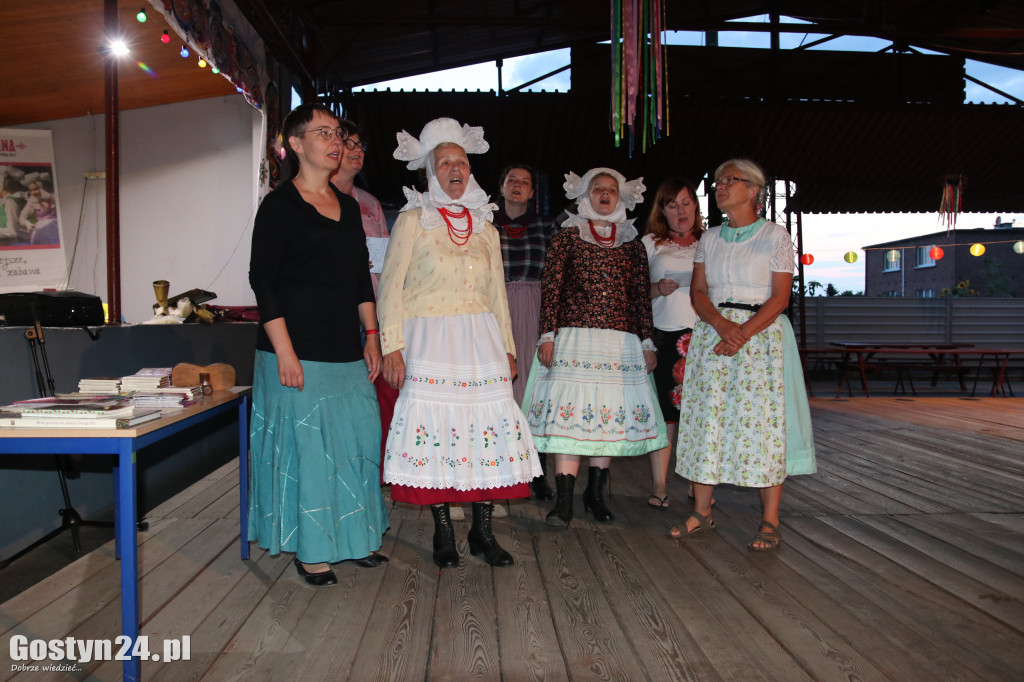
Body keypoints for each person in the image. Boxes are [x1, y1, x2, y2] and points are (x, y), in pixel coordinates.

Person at [378, 117, 541, 569]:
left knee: (484, 435)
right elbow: (389, 287)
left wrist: (507, 347)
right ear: (431, 170)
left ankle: (483, 533)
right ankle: (444, 533)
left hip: (481, 340)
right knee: (440, 435)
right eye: (445, 162)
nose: (455, 169)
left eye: (462, 162)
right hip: (429, 339)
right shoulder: (413, 220)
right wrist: (392, 345)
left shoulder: (486, 228)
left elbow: (497, 295)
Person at [248, 104, 390, 587]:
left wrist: (372, 335)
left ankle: (355, 537)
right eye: (324, 133)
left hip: (345, 350)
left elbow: (359, 280)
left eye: (339, 133)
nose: (336, 142)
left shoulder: (349, 208)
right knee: (310, 451)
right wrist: (285, 351)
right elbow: (262, 280)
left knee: (358, 441)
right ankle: (312, 550)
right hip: (295, 351)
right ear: (295, 145)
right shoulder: (278, 205)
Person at [672, 158, 816, 550]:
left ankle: (769, 519)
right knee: (708, 419)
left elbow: (781, 297)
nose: (719, 187)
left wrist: (742, 333)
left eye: (729, 181)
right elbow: (698, 293)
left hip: (761, 338)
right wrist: (722, 326)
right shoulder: (710, 238)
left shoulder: (775, 236)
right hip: (714, 335)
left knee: (763, 424)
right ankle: (701, 511)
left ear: (753, 190)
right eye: (717, 182)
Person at [524, 167, 668, 527]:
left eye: (612, 190)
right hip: (574, 339)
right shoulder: (567, 238)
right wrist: (547, 336)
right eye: (598, 189)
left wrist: (647, 341)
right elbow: (551, 289)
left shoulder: (632, 245)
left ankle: (596, 493)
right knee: (568, 419)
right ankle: (565, 500)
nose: (605, 195)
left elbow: (639, 298)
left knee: (606, 419)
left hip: (619, 344)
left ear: (621, 198)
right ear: (585, 195)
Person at [328, 118, 399, 482]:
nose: (356, 152)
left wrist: (386, 320)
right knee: (335, 397)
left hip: (370, 314)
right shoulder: (313, 199)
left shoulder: (371, 205)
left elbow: (386, 267)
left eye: (361, 146)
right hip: (330, 315)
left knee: (371, 397)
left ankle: (371, 471)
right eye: (349, 144)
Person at [493, 163, 558, 500]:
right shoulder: (484, 223)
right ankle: (503, 466)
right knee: (501, 389)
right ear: (501, 187)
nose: (517, 186)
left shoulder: (548, 227)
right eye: (511, 180)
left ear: (533, 192)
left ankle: (537, 470)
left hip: (535, 307)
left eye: (525, 182)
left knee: (536, 389)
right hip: (495, 310)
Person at [641, 178, 704, 510]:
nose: (681, 210)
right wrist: (657, 289)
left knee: (699, 414)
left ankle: (699, 483)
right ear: (662, 211)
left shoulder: (712, 242)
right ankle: (660, 483)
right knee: (665, 415)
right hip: (664, 336)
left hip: (703, 338)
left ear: (695, 205)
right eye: (673, 205)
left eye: (686, 202)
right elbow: (633, 294)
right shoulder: (650, 243)